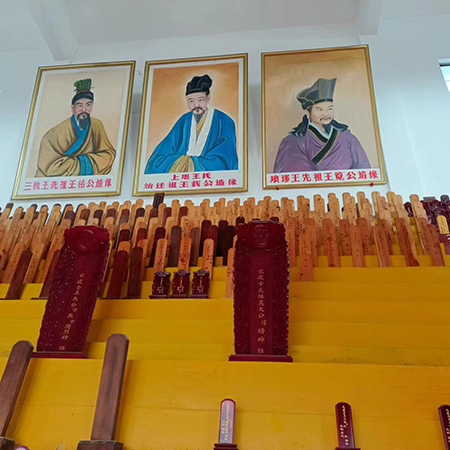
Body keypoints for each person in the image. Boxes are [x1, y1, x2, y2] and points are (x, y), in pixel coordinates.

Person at [144, 74, 238, 173]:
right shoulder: (184, 120)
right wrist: (182, 162)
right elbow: (163, 151)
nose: (196, 105)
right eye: (191, 101)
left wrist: (188, 164)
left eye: (200, 100)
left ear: (208, 98)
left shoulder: (224, 121)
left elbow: (225, 159)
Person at [273, 78, 370, 173]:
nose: (326, 114)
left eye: (330, 108)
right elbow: (295, 174)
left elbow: (363, 169)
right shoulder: (294, 141)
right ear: (308, 112)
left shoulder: (347, 137)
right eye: (320, 109)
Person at [36, 78, 116, 177]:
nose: (84, 110)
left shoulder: (96, 125)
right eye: (79, 105)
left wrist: (78, 163)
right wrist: (87, 162)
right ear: (73, 108)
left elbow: (109, 154)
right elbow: (50, 168)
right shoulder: (55, 134)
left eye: (88, 105)